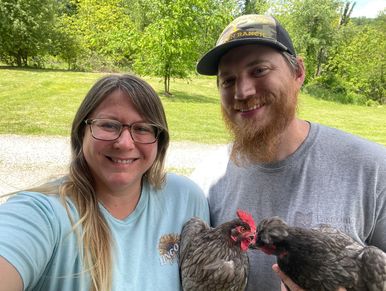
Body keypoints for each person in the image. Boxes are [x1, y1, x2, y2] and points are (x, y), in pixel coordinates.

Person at [192, 14, 386, 290]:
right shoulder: (207, 178)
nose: (243, 91)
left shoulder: (373, 168)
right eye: (228, 80)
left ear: (298, 73)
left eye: (259, 70)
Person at [0, 74, 209, 291]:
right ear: (82, 133)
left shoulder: (185, 199)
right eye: (109, 125)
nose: (125, 143)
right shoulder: (44, 213)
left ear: (160, 141)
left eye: (143, 128)